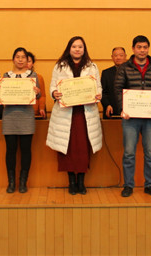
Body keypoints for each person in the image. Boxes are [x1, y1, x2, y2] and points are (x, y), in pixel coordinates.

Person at [46, 36, 103, 195]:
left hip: (85, 114)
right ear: (69, 48)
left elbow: (98, 86)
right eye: (74, 46)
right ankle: (71, 181)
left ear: (84, 49)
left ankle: (81, 182)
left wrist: (98, 94)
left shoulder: (92, 66)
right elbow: (52, 86)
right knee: (67, 149)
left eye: (80, 47)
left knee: (83, 149)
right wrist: (54, 93)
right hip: (65, 114)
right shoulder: (60, 66)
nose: (77, 49)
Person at [114, 35, 151, 198]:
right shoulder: (124, 68)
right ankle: (128, 185)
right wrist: (122, 109)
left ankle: (150, 185)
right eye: (139, 47)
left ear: (148, 49)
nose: (142, 50)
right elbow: (118, 89)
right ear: (133, 49)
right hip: (130, 118)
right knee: (129, 152)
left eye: (145, 47)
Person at [0, 47, 41, 193]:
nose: (20, 60)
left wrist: (37, 92)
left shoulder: (33, 75)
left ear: (27, 60)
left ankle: (23, 182)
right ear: (13, 59)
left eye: (23, 57)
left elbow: (39, 96)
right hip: (9, 116)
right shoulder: (6, 76)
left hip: (26, 116)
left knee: (26, 150)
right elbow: (0, 98)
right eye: (18, 57)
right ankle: (11, 182)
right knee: (10, 150)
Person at [100, 47, 127, 118]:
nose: (118, 57)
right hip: (111, 110)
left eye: (121, 55)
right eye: (115, 55)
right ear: (112, 57)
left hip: (128, 112)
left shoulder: (132, 72)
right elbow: (102, 92)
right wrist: (107, 105)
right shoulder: (106, 73)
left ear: (125, 56)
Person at [27, 52, 47, 118]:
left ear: (33, 63)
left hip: (35, 112)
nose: (26, 63)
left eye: (29, 61)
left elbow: (42, 95)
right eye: (25, 61)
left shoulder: (39, 77)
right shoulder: (16, 77)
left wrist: (41, 108)